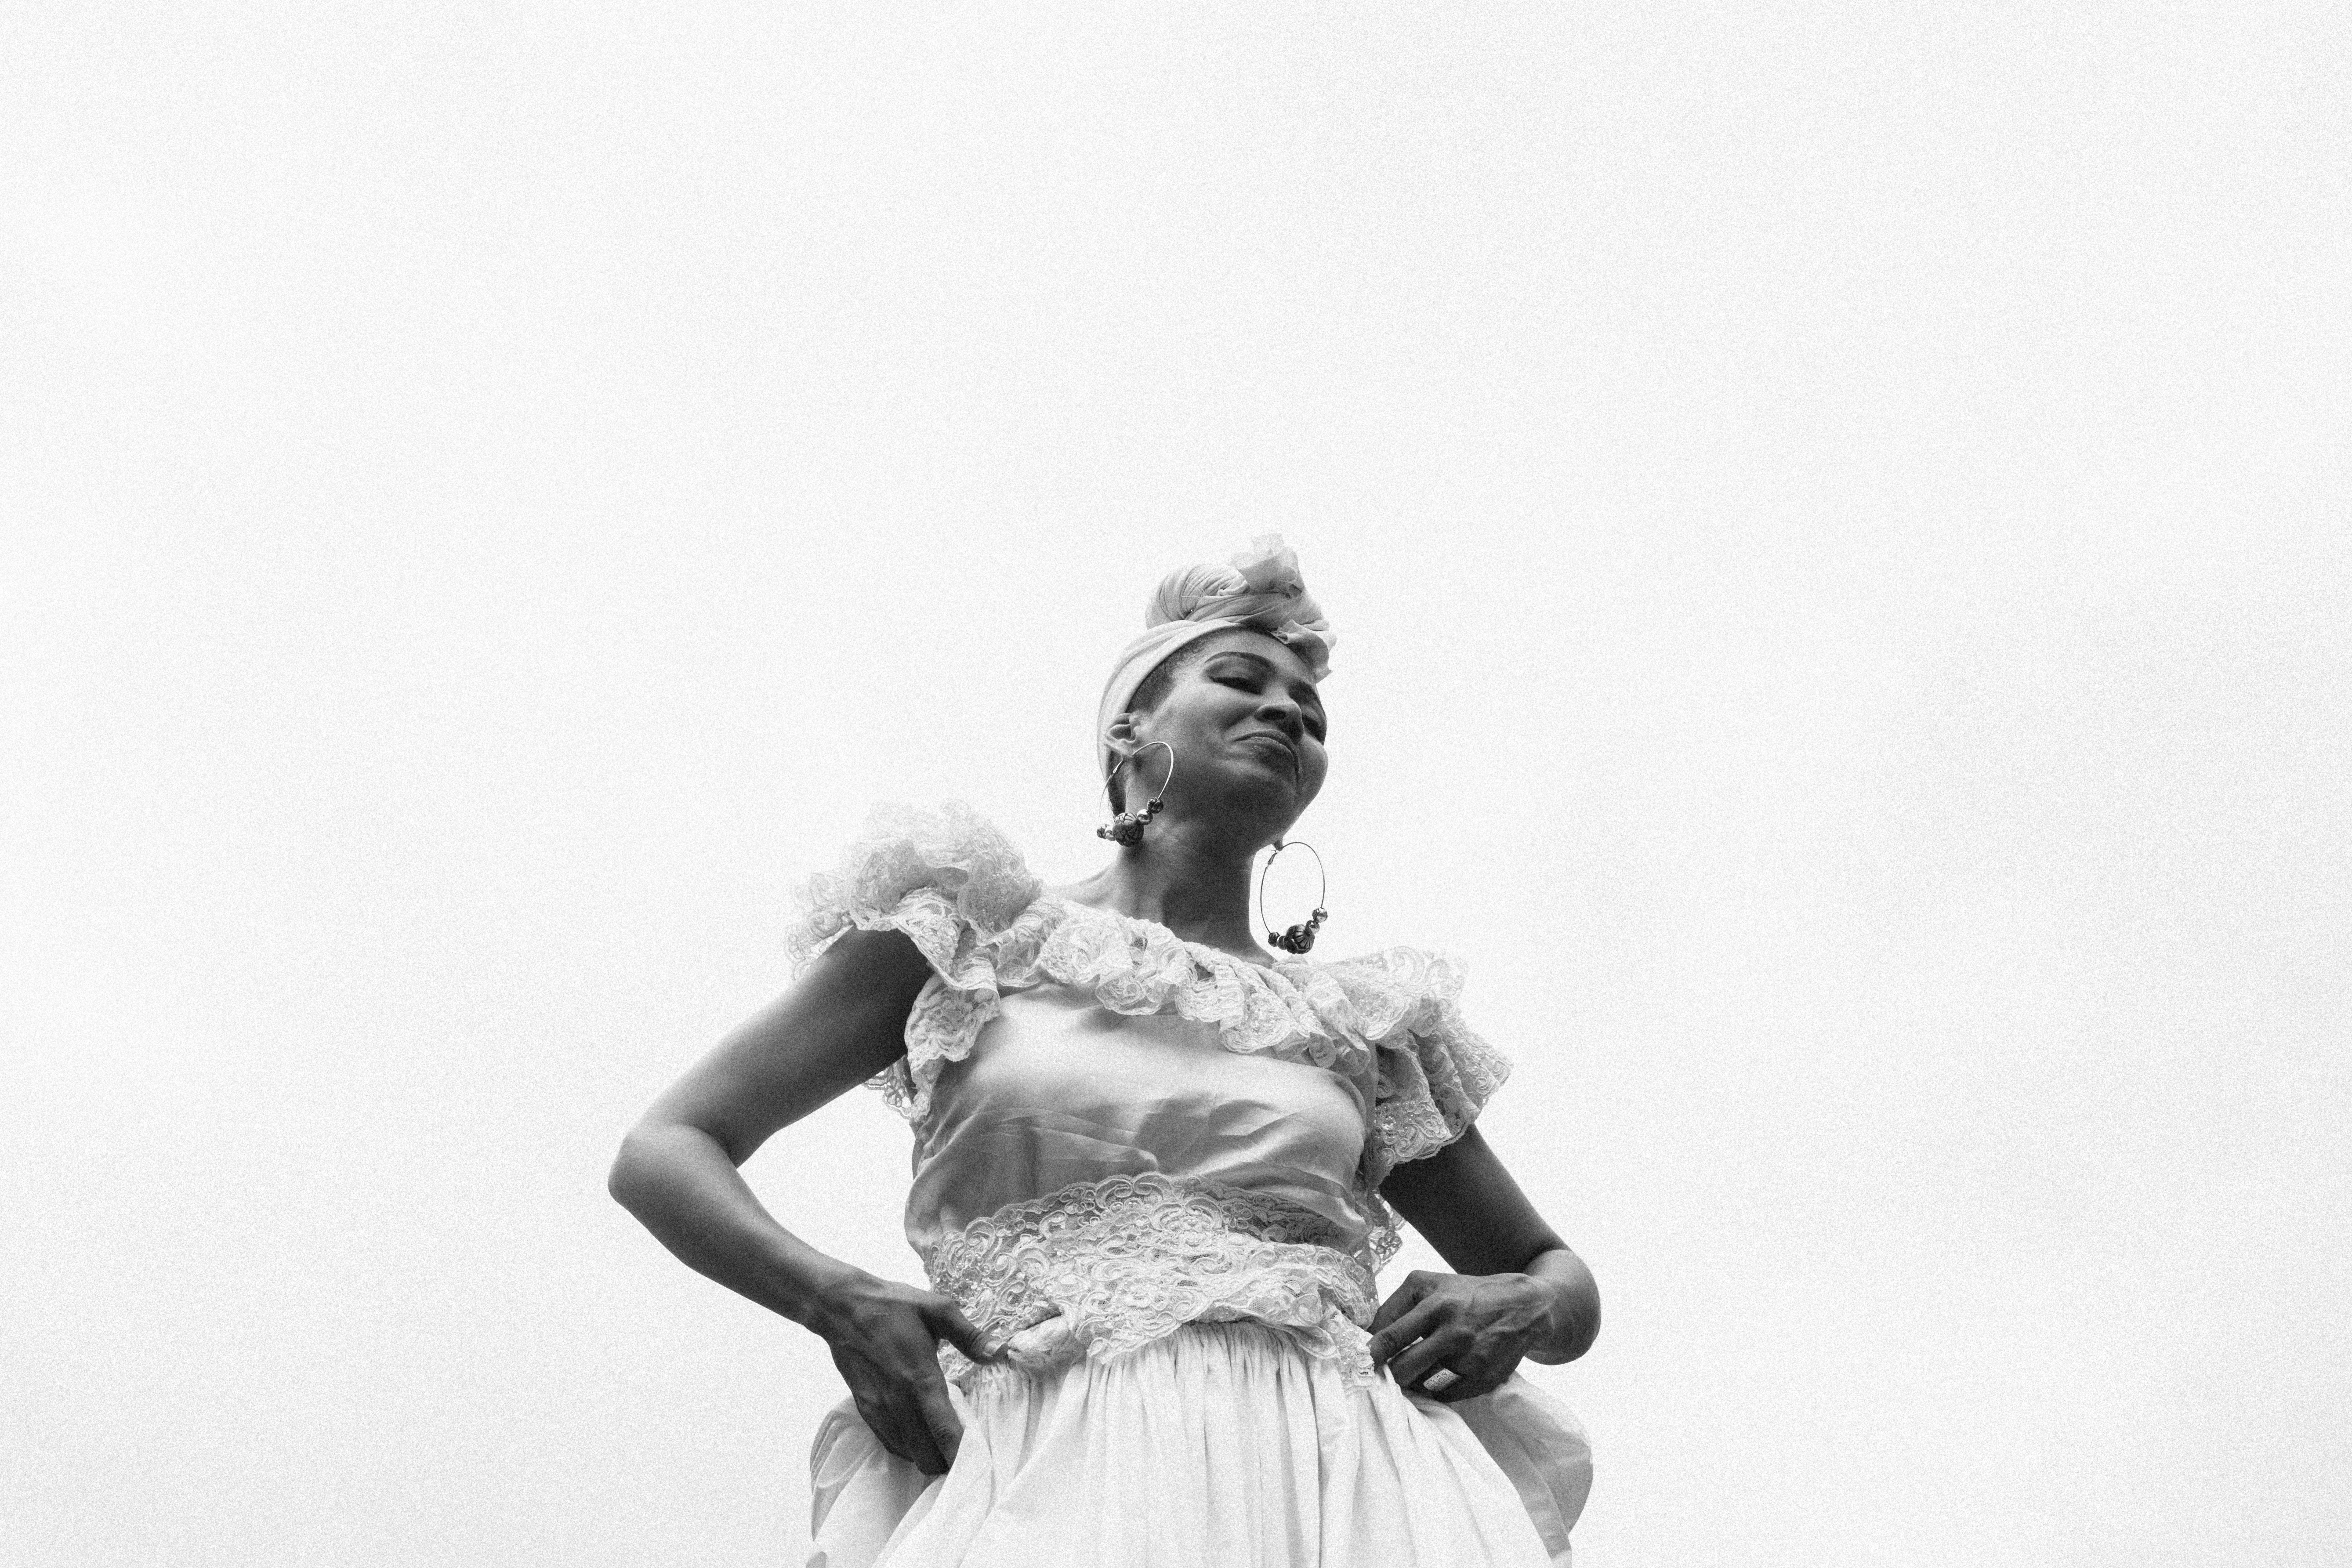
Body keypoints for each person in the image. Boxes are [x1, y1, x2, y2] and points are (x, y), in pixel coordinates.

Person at [608, 535, 1600, 1566]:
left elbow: (1558, 1275)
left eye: (1311, 711)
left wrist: (1525, 1301)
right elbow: (665, 1148)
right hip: (1040, 1462)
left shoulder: (1358, 1023)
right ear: (1130, 730)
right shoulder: (973, 932)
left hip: (1336, 1481)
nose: (1287, 712)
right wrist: (836, 1297)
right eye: (1241, 679)